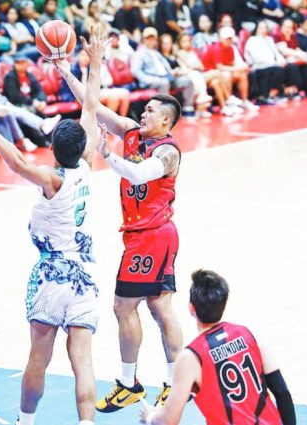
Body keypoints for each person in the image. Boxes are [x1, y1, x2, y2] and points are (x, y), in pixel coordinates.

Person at [0, 26, 107, 425]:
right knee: (83, 361)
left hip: (52, 277)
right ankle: (86, 423)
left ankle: (26, 421)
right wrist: (92, 63)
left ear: (53, 151)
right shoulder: (86, 166)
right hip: (85, 274)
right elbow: (92, 108)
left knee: (39, 359)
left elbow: (15, 162)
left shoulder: (53, 179)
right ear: (81, 147)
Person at [57, 52, 185, 412]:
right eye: (142, 110)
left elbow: (140, 175)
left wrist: (106, 155)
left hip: (152, 236)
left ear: (166, 120)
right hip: (146, 236)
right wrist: (65, 68)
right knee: (160, 308)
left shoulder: (168, 152)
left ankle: (131, 384)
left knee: (124, 306)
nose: (142, 114)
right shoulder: (130, 133)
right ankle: (176, 385)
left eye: (150, 112)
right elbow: (91, 103)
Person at [140, 269, 296, 425]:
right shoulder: (250, 335)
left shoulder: (191, 357)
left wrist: (150, 417)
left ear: (191, 308)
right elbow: (282, 393)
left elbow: (168, 421)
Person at [0, 55, 61, 145]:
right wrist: (3, 101)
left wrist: (3, 101)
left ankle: (22, 139)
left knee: (12, 112)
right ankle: (40, 126)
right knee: (16, 110)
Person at [130, 27, 197, 117]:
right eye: (148, 38)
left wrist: (172, 72)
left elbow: (166, 67)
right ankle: (164, 113)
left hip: (166, 77)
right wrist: (148, 80)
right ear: (144, 39)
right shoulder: (139, 53)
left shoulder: (157, 53)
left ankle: (187, 108)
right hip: (152, 79)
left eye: (152, 38)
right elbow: (135, 70)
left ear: (156, 40)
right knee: (164, 83)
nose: (150, 41)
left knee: (187, 80)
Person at [62, 49, 131, 117]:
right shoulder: (72, 70)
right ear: (78, 56)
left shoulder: (90, 68)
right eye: (83, 55)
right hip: (78, 97)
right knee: (112, 99)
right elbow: (66, 91)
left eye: (88, 56)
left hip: (92, 94)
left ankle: (121, 123)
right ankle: (107, 125)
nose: (86, 58)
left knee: (122, 98)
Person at [212, 26, 259, 112]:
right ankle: (229, 103)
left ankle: (245, 100)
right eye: (226, 39)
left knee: (242, 74)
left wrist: (240, 68)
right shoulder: (216, 48)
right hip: (215, 73)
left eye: (230, 38)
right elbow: (219, 67)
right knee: (227, 75)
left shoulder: (231, 48)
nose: (228, 41)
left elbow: (231, 63)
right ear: (221, 38)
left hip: (226, 71)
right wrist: (235, 68)